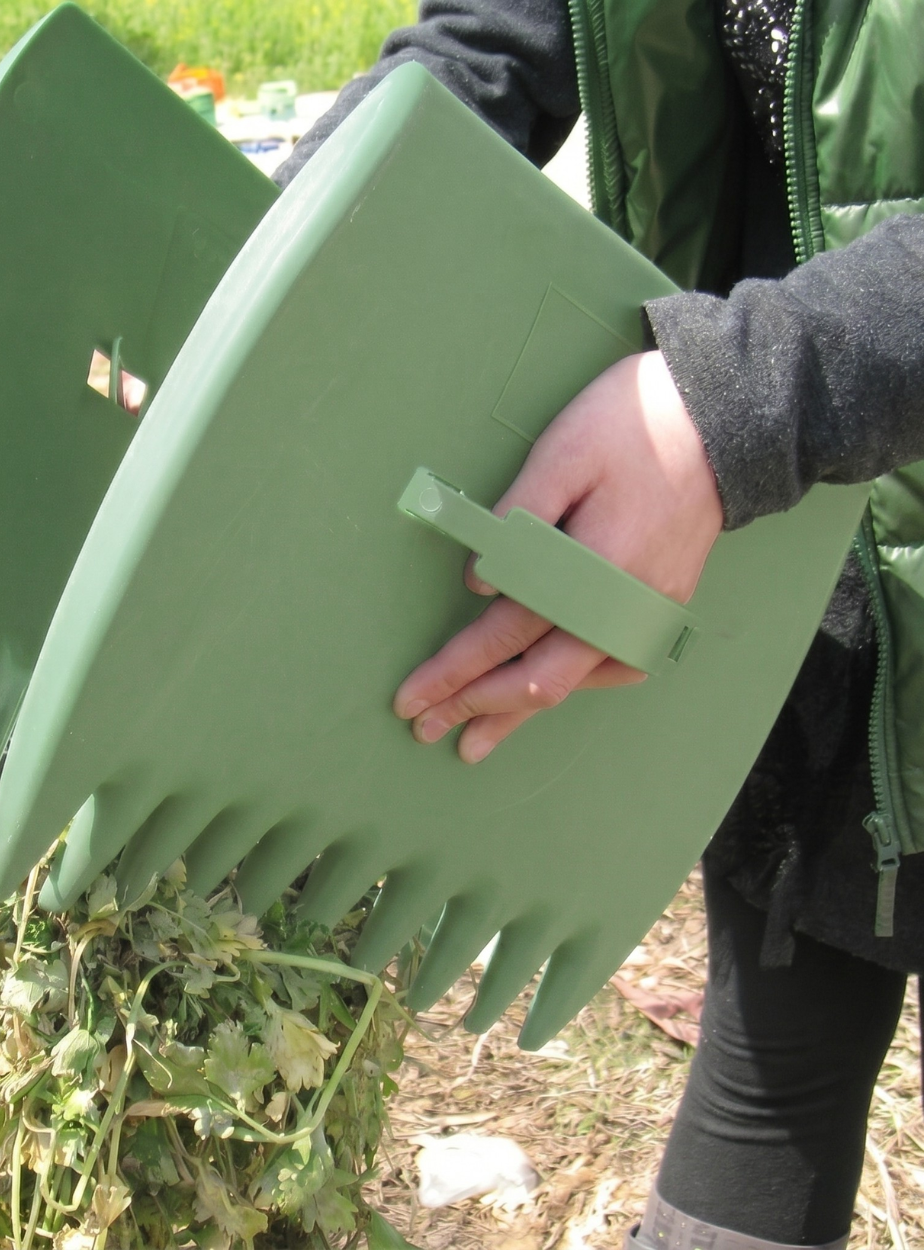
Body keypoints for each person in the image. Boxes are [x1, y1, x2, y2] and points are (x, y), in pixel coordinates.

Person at [275, 3, 924, 1248]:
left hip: (770, 427)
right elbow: (490, 46)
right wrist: (274, 262)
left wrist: (729, 405)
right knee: (773, 1057)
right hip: (809, 551)